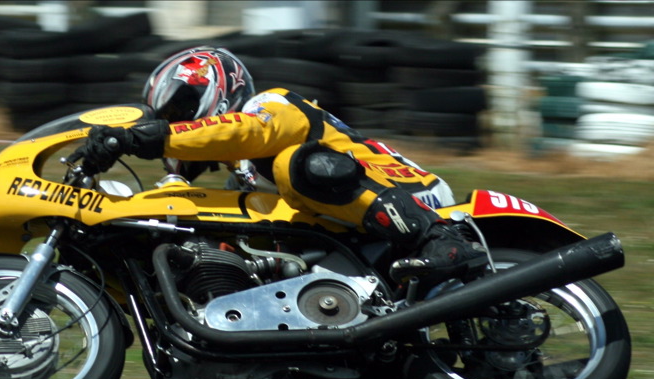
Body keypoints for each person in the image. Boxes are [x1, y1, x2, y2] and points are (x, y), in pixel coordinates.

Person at [69, 46, 487, 288]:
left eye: (180, 110)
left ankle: (440, 240)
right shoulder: (241, 174)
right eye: (170, 117)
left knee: (296, 165)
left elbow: (247, 132)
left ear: (216, 87)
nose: (177, 122)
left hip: (412, 196)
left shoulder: (270, 104)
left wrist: (143, 137)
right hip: (353, 237)